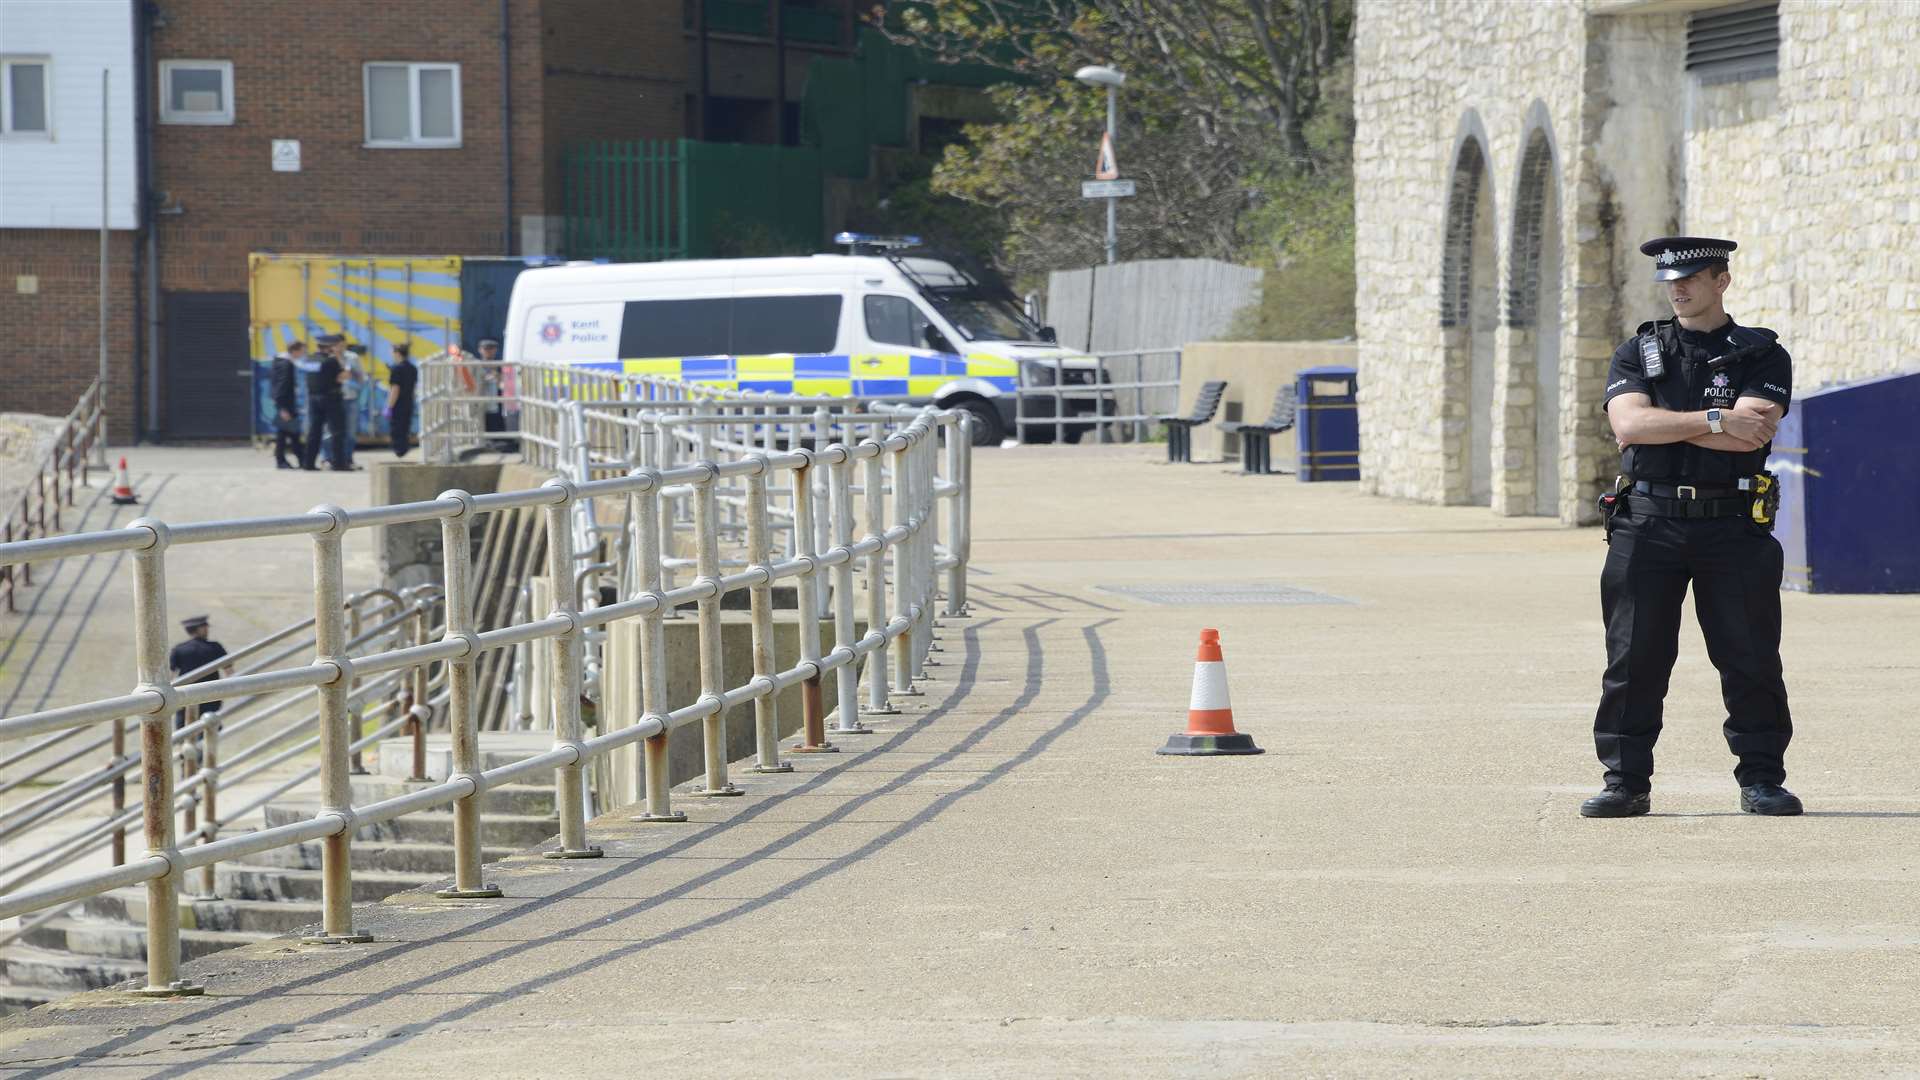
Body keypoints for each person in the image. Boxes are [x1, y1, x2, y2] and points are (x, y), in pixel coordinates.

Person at [1584, 235, 1799, 819]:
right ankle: (1625, 783)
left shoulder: (1761, 354)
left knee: (1749, 655)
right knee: (1635, 658)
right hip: (1646, 522)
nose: (1677, 288)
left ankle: (1761, 779)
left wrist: (1671, 423)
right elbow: (1628, 426)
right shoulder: (1639, 351)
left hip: (1732, 523)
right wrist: (1712, 419)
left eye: (1691, 277)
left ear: (1721, 281)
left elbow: (1752, 430)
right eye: (1669, 279)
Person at [168, 615, 230, 730]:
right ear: (200, 629)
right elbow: (229, 672)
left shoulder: (179, 649)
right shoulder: (215, 647)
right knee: (210, 727)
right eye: (205, 627)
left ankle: (183, 747)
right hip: (211, 694)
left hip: (185, 695)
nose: (207, 630)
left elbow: (169, 676)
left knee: (183, 730)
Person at [300, 334, 350, 471]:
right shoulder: (331, 361)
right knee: (337, 432)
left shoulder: (310, 359)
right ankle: (339, 464)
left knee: (314, 432)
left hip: (314, 399)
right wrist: (339, 359)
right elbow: (343, 377)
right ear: (330, 347)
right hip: (331, 399)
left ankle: (308, 463)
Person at [270, 340, 306, 469]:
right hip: (286, 404)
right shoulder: (287, 365)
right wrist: (282, 408)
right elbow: (282, 386)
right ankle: (286, 461)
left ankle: (296, 460)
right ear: (295, 351)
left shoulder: (278, 362)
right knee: (289, 434)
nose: (303, 354)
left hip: (284, 403)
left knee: (286, 433)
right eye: (302, 351)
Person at [386, 343, 418, 457]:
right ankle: (404, 449)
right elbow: (414, 387)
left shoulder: (396, 369)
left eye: (393, 352)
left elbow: (395, 389)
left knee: (397, 429)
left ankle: (399, 452)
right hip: (408, 402)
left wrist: (389, 407)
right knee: (405, 427)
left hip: (398, 404)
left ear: (397, 353)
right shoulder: (413, 368)